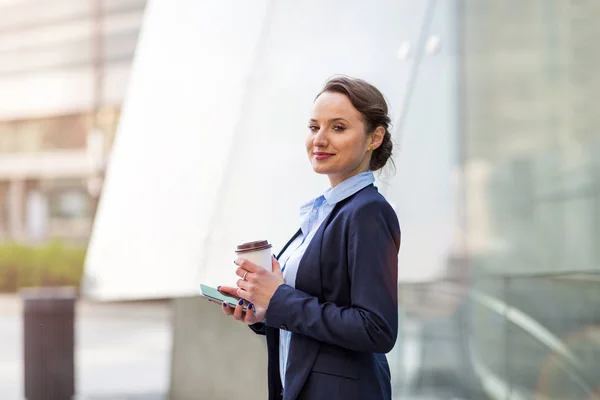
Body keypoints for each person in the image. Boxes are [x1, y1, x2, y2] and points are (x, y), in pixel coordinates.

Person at [218, 76, 401, 400]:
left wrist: (278, 299)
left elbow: (376, 328)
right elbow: (310, 310)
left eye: (338, 127)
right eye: (314, 127)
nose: (320, 139)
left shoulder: (367, 212)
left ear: (374, 137)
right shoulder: (323, 212)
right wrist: (263, 312)